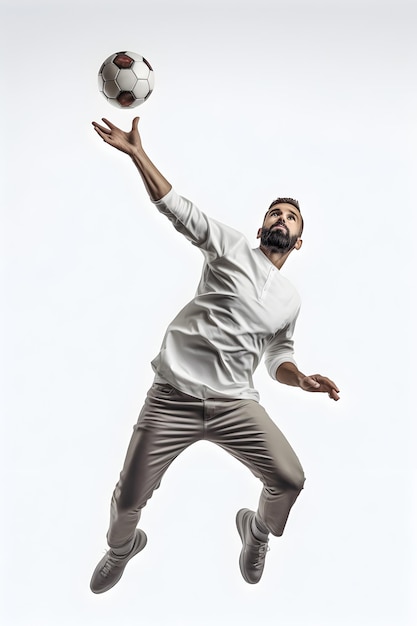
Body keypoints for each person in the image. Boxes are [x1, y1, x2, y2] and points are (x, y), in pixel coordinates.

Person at [89, 116, 340, 594]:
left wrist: (301, 378)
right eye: (275, 212)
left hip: (235, 406)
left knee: (289, 479)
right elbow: (176, 207)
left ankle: (257, 530)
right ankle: (122, 549)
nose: (281, 219)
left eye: (290, 217)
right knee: (125, 507)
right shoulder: (229, 247)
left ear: (299, 240)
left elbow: (278, 357)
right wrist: (137, 154)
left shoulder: (290, 298)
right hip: (172, 399)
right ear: (261, 225)